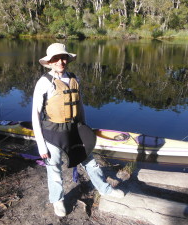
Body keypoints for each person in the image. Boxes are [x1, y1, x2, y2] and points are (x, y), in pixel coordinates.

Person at [32, 43, 124, 217]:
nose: (61, 61)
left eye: (63, 57)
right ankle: (57, 200)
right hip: (53, 133)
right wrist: (41, 146)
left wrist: (85, 130)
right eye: (56, 59)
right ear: (49, 62)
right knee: (54, 169)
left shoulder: (74, 78)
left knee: (90, 162)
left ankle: (104, 189)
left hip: (75, 130)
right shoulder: (43, 83)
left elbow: (80, 107)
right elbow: (35, 115)